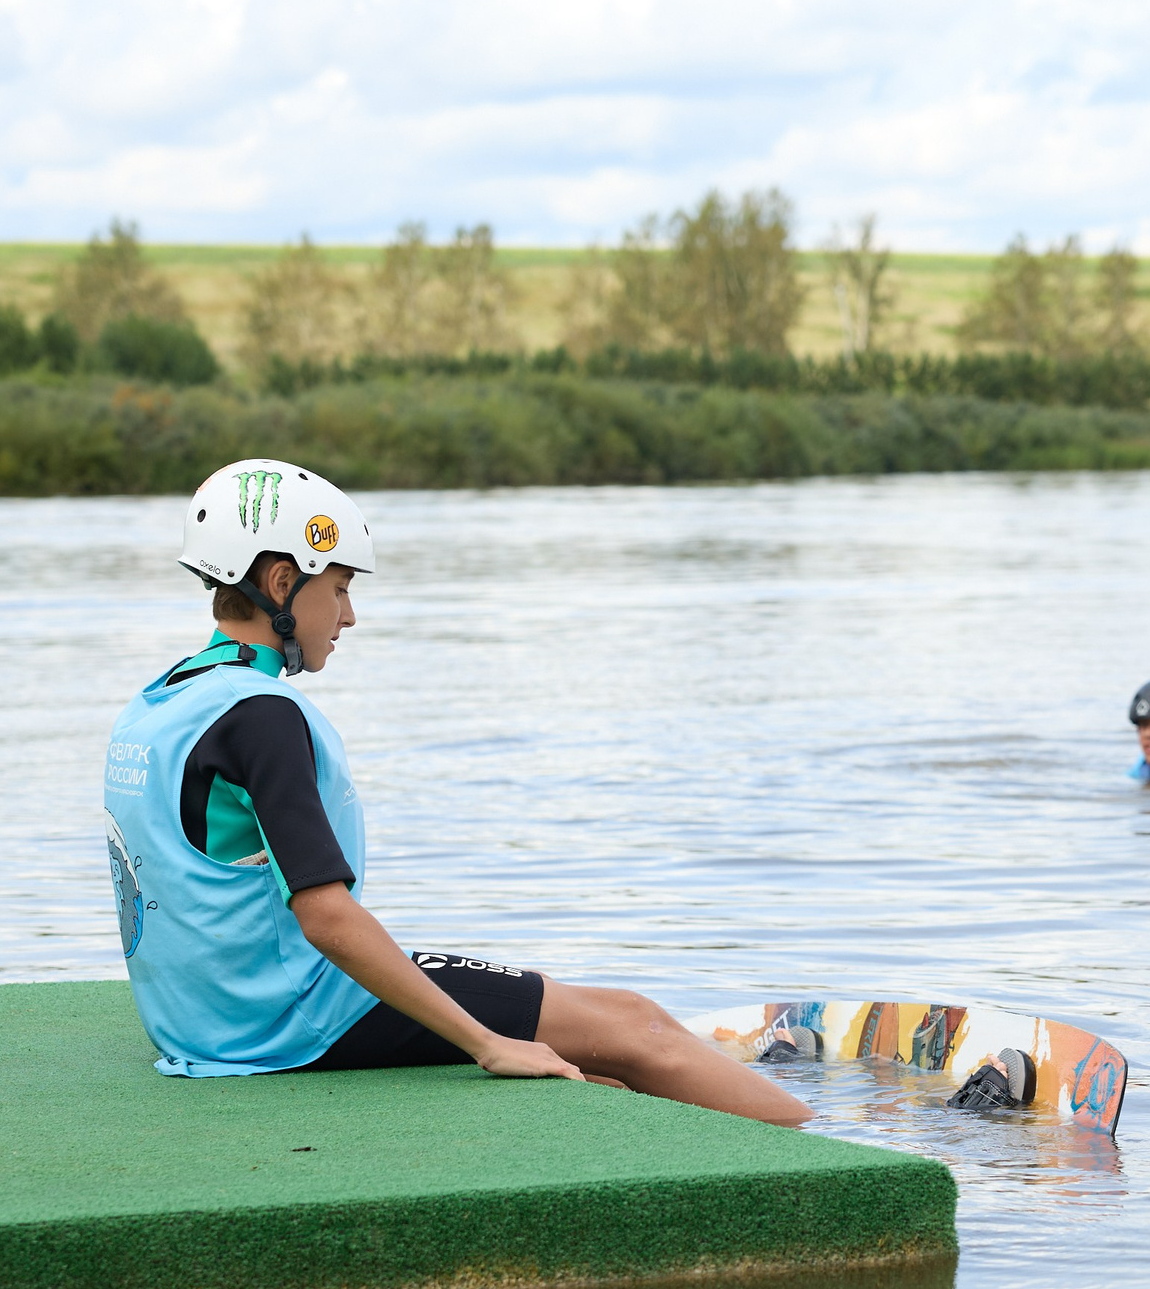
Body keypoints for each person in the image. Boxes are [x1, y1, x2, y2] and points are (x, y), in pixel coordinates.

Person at [102, 457, 809, 1126]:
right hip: (291, 1019)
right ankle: (845, 1153)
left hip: (206, 1022)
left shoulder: (158, 702)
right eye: (341, 588)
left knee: (603, 1072)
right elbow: (327, 918)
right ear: (283, 583)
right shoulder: (262, 715)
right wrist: (485, 1042)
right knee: (636, 1023)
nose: (349, 616)